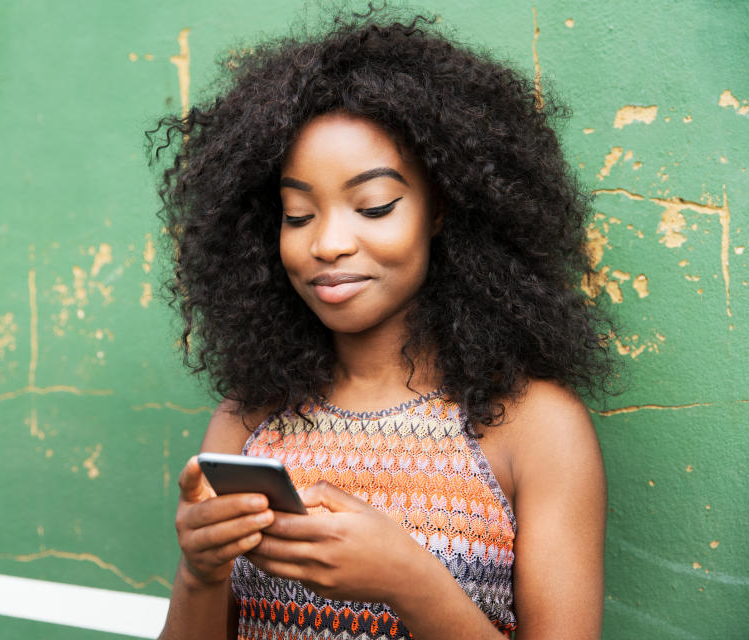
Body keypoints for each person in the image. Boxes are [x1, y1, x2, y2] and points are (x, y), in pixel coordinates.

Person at [150, 9, 615, 639]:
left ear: (442, 209)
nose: (329, 243)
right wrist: (200, 574)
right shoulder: (249, 421)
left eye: (373, 206)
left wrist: (409, 581)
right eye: (297, 215)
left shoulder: (534, 427)